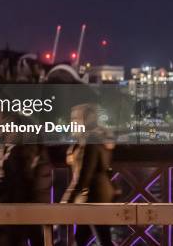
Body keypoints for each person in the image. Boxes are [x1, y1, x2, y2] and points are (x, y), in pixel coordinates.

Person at [0, 112, 52, 246]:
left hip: (15, 208)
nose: (6, 132)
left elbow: (8, 180)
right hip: (32, 207)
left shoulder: (16, 152)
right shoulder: (35, 150)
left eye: (9, 128)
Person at [61, 103, 115, 246]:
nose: (72, 123)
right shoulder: (96, 138)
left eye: (75, 119)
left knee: (99, 238)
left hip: (94, 196)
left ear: (85, 120)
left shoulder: (91, 141)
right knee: (87, 237)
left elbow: (85, 173)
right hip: (97, 195)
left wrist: (68, 199)